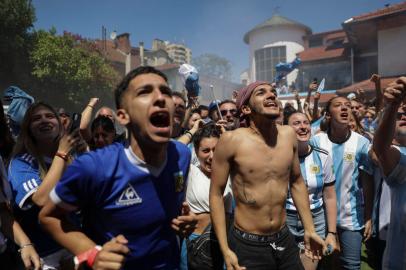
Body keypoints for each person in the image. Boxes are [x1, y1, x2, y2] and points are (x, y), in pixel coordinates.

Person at [39, 66, 196, 270]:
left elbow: (166, 208)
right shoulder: (94, 167)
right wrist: (92, 253)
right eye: (145, 92)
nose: (160, 98)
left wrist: (184, 221)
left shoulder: (181, 155)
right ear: (123, 116)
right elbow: (48, 216)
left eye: (165, 91)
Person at [210, 81, 326, 270]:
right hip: (247, 244)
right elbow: (216, 194)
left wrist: (310, 229)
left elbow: (296, 181)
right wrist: (225, 249)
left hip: (283, 237)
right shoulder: (231, 140)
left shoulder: (288, 134)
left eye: (273, 92)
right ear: (246, 108)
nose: (272, 95)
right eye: (261, 93)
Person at [7, 102, 81, 269]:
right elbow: (41, 199)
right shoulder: (21, 163)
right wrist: (61, 154)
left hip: (72, 244)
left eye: (49, 116)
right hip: (41, 254)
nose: (44, 121)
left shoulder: (72, 155)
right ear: (28, 129)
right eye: (36, 119)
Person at [310, 96, 373, 270]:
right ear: (328, 115)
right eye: (338, 106)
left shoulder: (362, 142)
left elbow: (367, 183)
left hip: (351, 217)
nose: (345, 108)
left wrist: (368, 216)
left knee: (351, 265)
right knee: (321, 264)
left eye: (348, 106)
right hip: (320, 217)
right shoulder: (316, 142)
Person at [286, 112, 337, 270]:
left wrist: (332, 233)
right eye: (296, 123)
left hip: (316, 220)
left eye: (306, 123)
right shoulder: (279, 157)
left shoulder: (323, 156)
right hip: (286, 220)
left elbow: (329, 196)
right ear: (286, 129)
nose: (302, 127)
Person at [180, 124, 233, 270]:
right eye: (205, 151)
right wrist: (193, 130)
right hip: (195, 246)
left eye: (216, 150)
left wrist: (229, 137)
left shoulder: (232, 173)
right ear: (196, 152)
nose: (211, 156)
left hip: (226, 247)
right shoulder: (190, 172)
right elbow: (173, 148)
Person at [372, 77, 406, 270]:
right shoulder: (400, 157)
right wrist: (392, 106)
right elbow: (379, 150)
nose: (404, 117)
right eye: (399, 115)